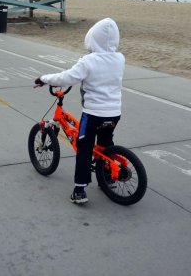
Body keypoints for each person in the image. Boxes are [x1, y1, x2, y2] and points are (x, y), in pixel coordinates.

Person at [35, 18, 125, 205]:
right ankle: (106, 176)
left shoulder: (88, 61)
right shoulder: (119, 59)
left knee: (84, 149)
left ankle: (79, 190)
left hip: (93, 113)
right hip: (114, 113)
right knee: (105, 143)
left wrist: (44, 78)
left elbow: (67, 77)